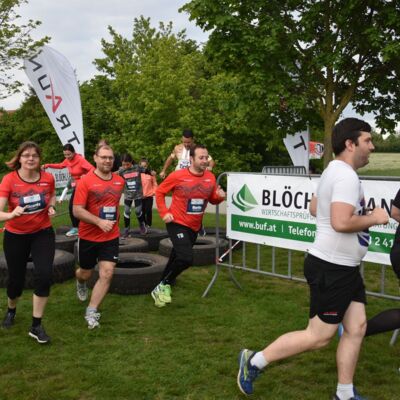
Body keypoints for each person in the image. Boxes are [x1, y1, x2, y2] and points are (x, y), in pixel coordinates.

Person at [237, 118, 389, 399]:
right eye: (367, 140)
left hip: (345, 268)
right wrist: (375, 218)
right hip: (332, 267)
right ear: (350, 144)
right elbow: (340, 222)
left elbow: (314, 207)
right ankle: (254, 361)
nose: (372, 147)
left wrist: (355, 217)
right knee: (318, 336)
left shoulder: (333, 169)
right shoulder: (345, 176)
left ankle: (344, 393)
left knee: (357, 327)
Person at [152, 144, 225, 307]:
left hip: (194, 226)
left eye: (206, 157)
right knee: (186, 258)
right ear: (191, 159)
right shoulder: (178, 175)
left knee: (176, 256)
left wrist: (220, 196)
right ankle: (162, 285)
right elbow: (160, 192)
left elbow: (212, 199)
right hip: (176, 222)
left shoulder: (210, 177)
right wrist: (164, 212)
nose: (205, 161)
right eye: (201, 158)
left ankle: (164, 283)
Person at [0, 141, 56, 344]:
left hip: (42, 233)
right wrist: (11, 214)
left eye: (34, 155)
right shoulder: (9, 180)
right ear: (20, 158)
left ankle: (36, 325)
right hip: (16, 235)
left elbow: (51, 195)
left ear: (39, 159)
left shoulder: (47, 178)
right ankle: (11, 309)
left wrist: (51, 206)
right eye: (26, 155)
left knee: (44, 275)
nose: (30, 158)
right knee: (16, 280)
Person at [73, 143, 124, 329]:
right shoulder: (85, 181)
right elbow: (77, 210)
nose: (107, 161)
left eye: (110, 158)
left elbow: (113, 204)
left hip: (110, 236)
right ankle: (80, 281)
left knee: (107, 273)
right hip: (88, 236)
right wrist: (99, 221)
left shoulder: (119, 181)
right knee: (85, 272)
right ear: (95, 158)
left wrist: (112, 220)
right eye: (103, 157)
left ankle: (92, 311)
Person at [43, 143, 94, 237]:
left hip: (83, 186)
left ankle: (77, 228)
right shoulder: (67, 160)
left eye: (69, 154)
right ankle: (80, 227)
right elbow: (60, 166)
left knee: (72, 206)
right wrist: (48, 165)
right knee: (79, 207)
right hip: (76, 186)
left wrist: (85, 176)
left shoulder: (80, 160)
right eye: (65, 155)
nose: (67, 157)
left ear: (73, 152)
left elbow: (92, 169)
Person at [118, 153, 154, 237]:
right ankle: (126, 229)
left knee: (138, 211)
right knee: (127, 211)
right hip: (128, 195)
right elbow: (114, 174)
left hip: (138, 195)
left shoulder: (137, 168)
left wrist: (151, 172)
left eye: (127, 164)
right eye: (123, 164)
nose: (126, 166)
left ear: (131, 162)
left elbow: (146, 170)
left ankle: (142, 225)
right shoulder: (121, 170)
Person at [140, 157, 158, 228]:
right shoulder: (138, 174)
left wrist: (153, 192)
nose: (143, 168)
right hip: (140, 196)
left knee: (148, 210)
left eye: (145, 166)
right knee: (142, 211)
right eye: (142, 166)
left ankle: (149, 224)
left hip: (149, 196)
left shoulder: (151, 174)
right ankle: (144, 224)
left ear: (147, 166)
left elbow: (155, 184)